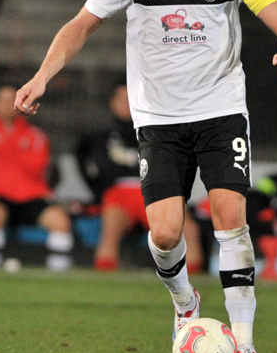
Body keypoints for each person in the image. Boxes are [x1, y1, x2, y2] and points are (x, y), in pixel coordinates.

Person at [15, 0, 277, 353]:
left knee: (229, 218)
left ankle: (244, 348)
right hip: (158, 119)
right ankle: (184, 302)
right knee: (167, 232)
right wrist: (42, 76)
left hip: (220, 110)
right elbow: (80, 25)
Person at [76, 80, 203, 272]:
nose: (127, 104)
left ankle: (193, 290)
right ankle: (103, 288)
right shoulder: (100, 134)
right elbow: (80, 156)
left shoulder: (157, 131)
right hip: (120, 193)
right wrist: (96, 188)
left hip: (155, 190)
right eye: (122, 100)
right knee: (110, 234)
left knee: (189, 232)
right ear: (113, 102)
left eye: (132, 99)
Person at [0, 85, 73, 271]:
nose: (8, 105)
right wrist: (14, 154)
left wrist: (2, 154)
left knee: (60, 220)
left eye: (12, 99)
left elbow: (36, 167)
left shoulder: (35, 136)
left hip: (30, 196)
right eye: (3, 100)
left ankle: (58, 272)